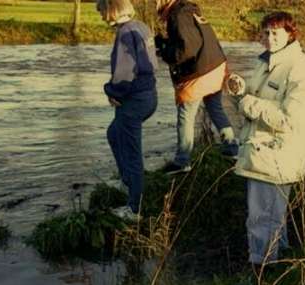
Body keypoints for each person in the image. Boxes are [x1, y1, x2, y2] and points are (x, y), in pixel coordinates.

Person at [227, 12, 305, 267]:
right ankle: (278, 264)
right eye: (265, 32)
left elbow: (291, 121)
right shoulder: (266, 62)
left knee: (262, 219)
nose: (269, 38)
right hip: (260, 154)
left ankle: (262, 272)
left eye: (275, 33)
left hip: (277, 158)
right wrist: (242, 90)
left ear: (291, 34)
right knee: (271, 218)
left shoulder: (301, 72)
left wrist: (247, 102)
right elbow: (261, 99)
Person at [154, 0, 238, 175]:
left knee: (186, 115)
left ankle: (182, 161)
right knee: (215, 107)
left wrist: (164, 50)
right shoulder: (189, 10)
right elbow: (194, 40)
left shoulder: (177, 15)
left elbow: (186, 49)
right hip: (215, 66)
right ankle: (232, 149)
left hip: (201, 71)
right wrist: (167, 43)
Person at [96, 0, 158, 220]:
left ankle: (134, 208)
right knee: (114, 134)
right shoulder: (140, 26)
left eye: (102, 10)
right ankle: (127, 182)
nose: (101, 15)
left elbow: (124, 74)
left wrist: (111, 92)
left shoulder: (124, 33)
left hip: (133, 99)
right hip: (149, 95)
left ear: (111, 9)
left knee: (132, 154)